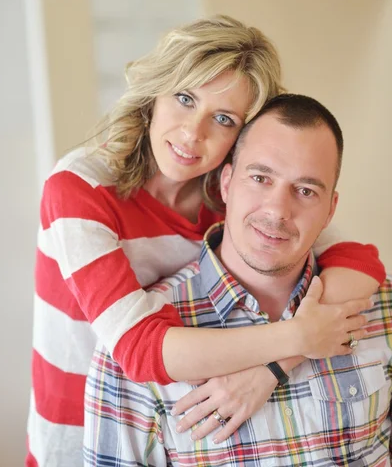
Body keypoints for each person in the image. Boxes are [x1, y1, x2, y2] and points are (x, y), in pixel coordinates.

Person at [26, 16, 385, 467]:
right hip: (81, 421)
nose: (193, 133)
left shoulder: (230, 194)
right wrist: (299, 336)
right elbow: (140, 350)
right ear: (153, 93)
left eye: (223, 118)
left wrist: (272, 367)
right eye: (183, 98)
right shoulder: (79, 188)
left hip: (187, 418)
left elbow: (359, 262)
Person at [84, 94, 391, 467]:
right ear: (226, 183)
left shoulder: (377, 305)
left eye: (306, 190)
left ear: (330, 210)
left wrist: (272, 368)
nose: (278, 210)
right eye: (260, 178)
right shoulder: (135, 345)